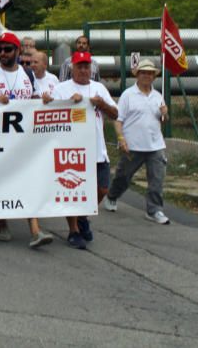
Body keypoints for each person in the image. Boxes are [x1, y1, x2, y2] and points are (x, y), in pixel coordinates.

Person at [0, 33, 53, 249]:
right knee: (1, 181)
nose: (2, 53)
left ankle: (35, 230)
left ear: (17, 52)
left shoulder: (28, 74)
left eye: (7, 49)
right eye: (0, 50)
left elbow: (36, 99)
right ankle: (3, 223)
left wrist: (44, 100)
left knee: (27, 181)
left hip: (23, 140)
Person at [44, 51, 117, 250]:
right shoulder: (62, 89)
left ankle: (83, 215)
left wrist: (101, 104)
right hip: (72, 149)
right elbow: (49, 112)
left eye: (86, 66)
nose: (84, 70)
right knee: (73, 191)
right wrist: (67, 104)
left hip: (96, 149)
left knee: (102, 189)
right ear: (72, 68)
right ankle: (74, 230)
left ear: (91, 68)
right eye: (80, 66)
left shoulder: (98, 88)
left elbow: (115, 113)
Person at [103, 59, 170, 224]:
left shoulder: (157, 96)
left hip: (155, 144)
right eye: (143, 73)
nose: (147, 76)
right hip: (133, 144)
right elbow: (118, 119)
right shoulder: (128, 95)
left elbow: (162, 120)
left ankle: (154, 210)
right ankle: (112, 195)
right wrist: (121, 138)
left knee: (157, 179)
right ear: (137, 75)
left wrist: (165, 114)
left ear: (154, 76)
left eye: (150, 73)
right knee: (124, 176)